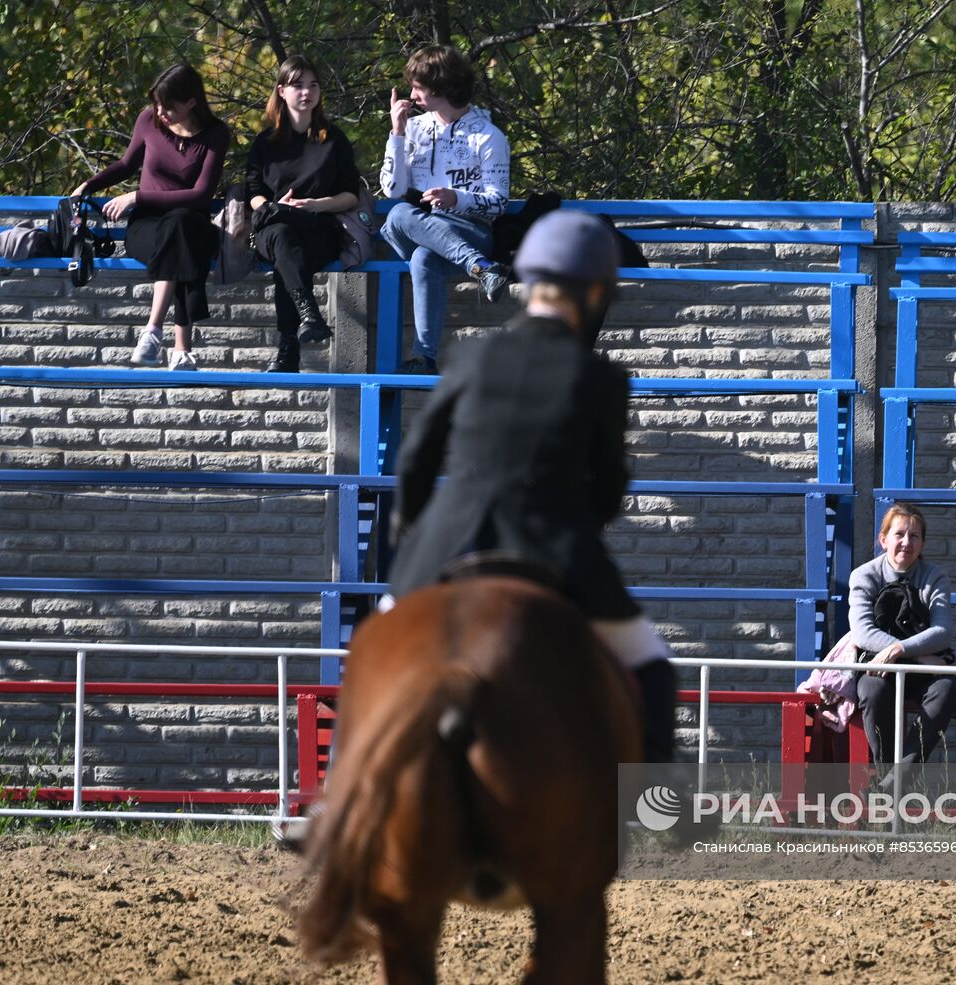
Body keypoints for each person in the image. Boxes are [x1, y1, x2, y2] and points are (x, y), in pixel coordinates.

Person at [385, 210, 675, 763]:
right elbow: (611, 482)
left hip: (446, 542)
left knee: (375, 650)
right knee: (651, 667)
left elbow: (418, 458)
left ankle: (342, 793)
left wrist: (413, 531)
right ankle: (654, 803)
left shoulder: (472, 355)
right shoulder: (599, 377)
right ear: (594, 290)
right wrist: (580, 529)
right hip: (552, 543)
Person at [71, 64, 229, 371]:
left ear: (192, 102)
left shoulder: (216, 134)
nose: (161, 112)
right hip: (147, 228)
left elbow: (200, 195)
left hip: (191, 223)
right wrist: (89, 185)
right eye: (157, 104)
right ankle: (181, 349)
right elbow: (127, 164)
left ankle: (152, 330)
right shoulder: (148, 119)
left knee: (181, 227)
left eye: (168, 106)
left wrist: (136, 196)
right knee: (180, 242)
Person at [379, 43, 511, 374]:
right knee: (397, 215)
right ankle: (481, 267)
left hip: (469, 230)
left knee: (424, 257)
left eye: (419, 87)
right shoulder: (415, 128)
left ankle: (424, 357)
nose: (413, 94)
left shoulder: (488, 136)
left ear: (442, 88)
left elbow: (498, 202)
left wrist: (457, 198)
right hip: (422, 226)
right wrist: (396, 133)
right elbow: (392, 189)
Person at [247, 55, 360, 373]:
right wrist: (271, 207)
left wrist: (316, 205)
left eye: (313, 85)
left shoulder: (333, 139)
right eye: (298, 85)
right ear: (282, 91)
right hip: (273, 226)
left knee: (289, 253)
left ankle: (288, 348)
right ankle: (308, 314)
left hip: (318, 228)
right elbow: (253, 193)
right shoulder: (265, 143)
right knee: (282, 237)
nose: (307, 92)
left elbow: (350, 194)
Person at [842, 503, 956, 777]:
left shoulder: (935, 577)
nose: (907, 542)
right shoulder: (863, 576)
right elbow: (862, 632)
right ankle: (887, 774)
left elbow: (942, 630)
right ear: (883, 540)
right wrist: (915, 655)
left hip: (920, 672)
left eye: (914, 536)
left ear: (923, 542)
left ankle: (899, 777)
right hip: (878, 667)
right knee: (872, 691)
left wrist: (898, 649)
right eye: (899, 534)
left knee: (947, 689)